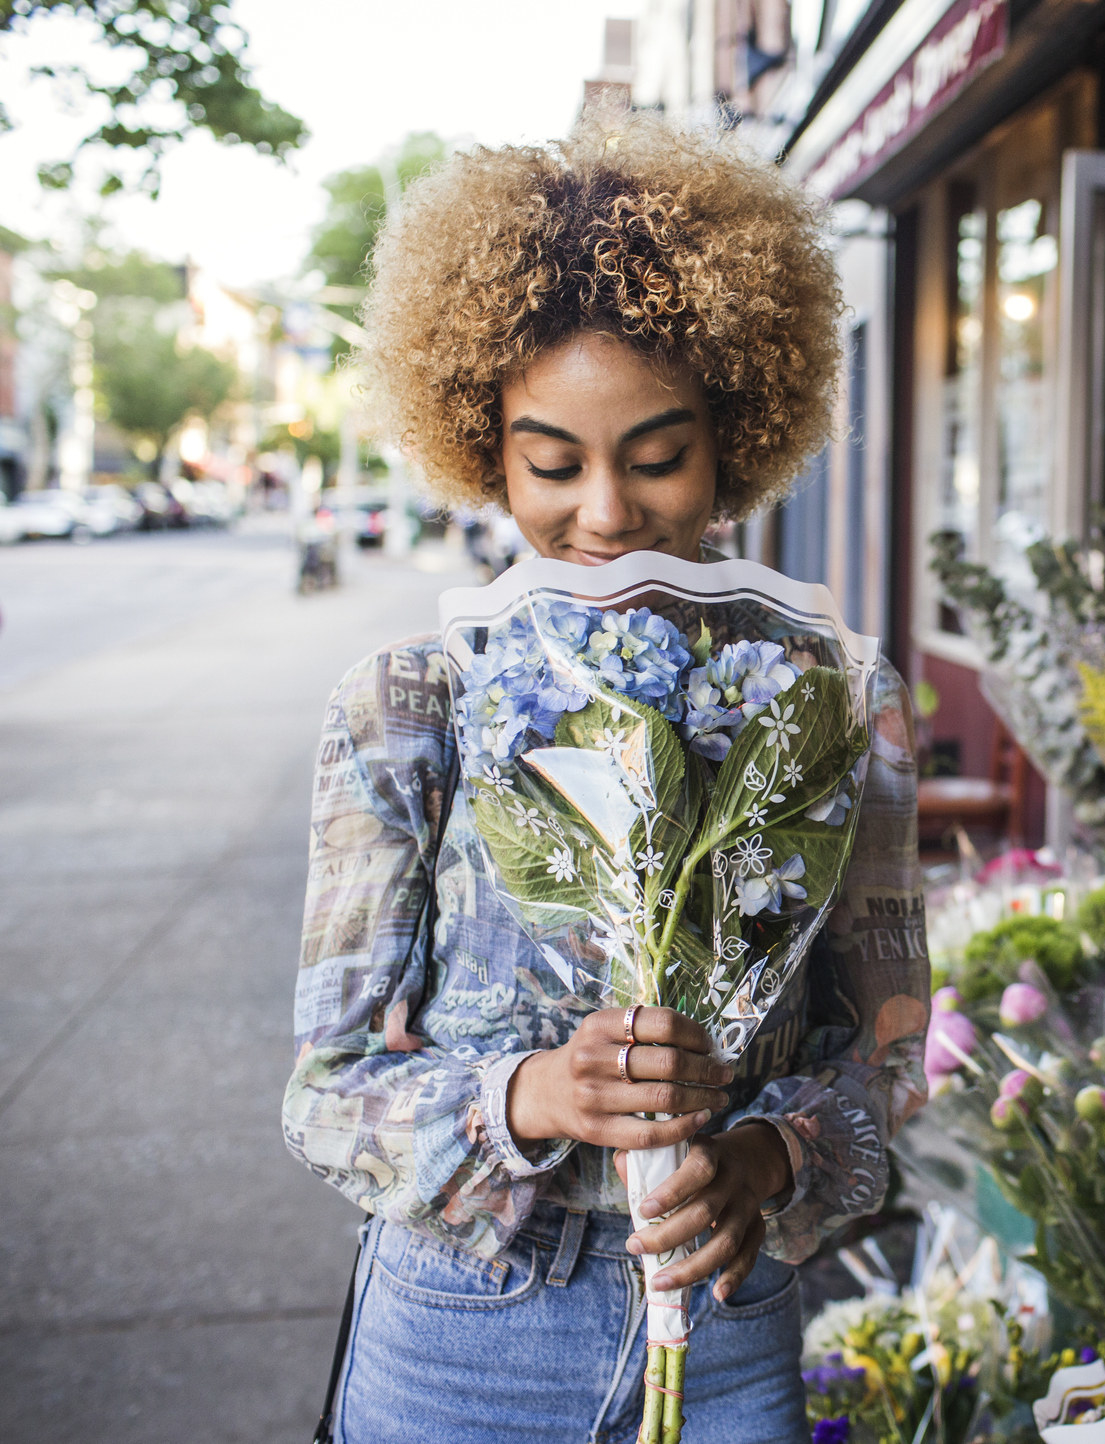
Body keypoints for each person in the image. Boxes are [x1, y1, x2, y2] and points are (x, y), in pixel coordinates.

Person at [283, 114, 930, 1444]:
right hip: (460, 1337)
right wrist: (524, 1098)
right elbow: (325, 1091)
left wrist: (774, 1158)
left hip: (730, 1319)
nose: (604, 515)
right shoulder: (412, 703)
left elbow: (890, 1065)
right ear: (481, 443)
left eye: (654, 456)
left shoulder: (842, 701)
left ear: (737, 434)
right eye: (552, 461)